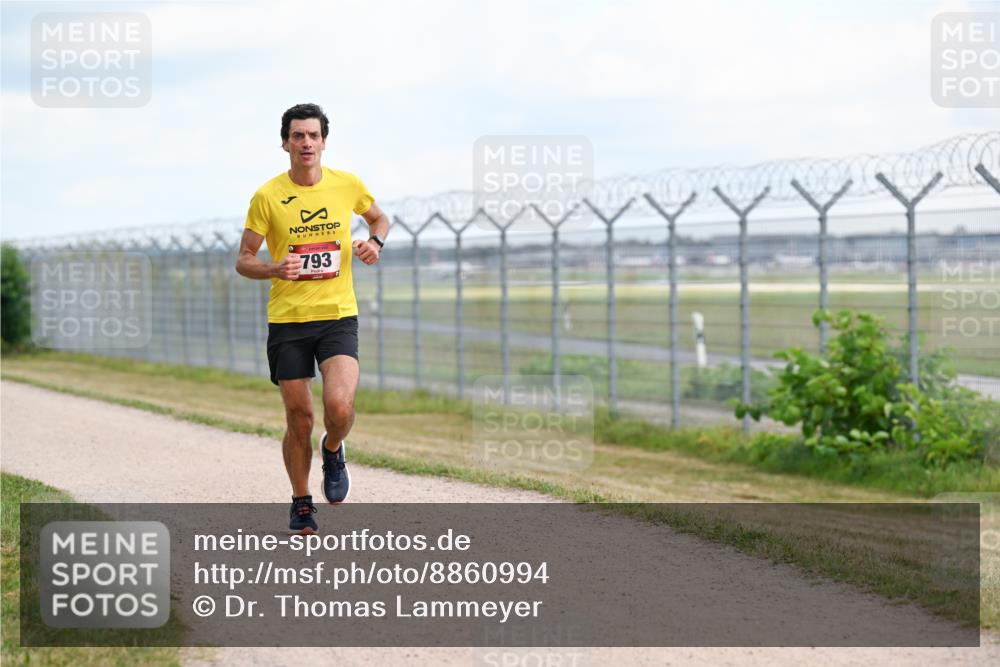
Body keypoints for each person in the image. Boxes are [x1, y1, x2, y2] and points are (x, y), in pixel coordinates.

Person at [236, 103, 388, 534]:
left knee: (339, 407)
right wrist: (273, 268)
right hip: (288, 321)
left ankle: (333, 448)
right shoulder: (267, 196)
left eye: (313, 135)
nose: (306, 143)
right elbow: (244, 259)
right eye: (298, 136)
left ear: (324, 142)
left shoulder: (346, 184)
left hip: (337, 315)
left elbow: (379, 218)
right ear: (285, 143)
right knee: (299, 417)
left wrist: (375, 243)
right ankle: (301, 501)